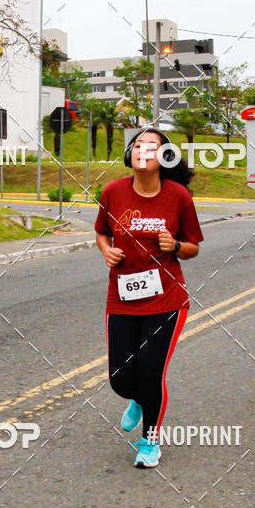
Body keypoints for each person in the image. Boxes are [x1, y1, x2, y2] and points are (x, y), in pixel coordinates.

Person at [95, 127, 203, 468]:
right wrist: (106, 251)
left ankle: (150, 442)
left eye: (152, 146)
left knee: (151, 372)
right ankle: (138, 400)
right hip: (122, 297)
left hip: (167, 299)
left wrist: (175, 246)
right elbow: (101, 231)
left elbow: (193, 248)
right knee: (119, 378)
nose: (143, 150)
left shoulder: (178, 196)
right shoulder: (113, 192)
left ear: (164, 157)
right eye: (138, 145)